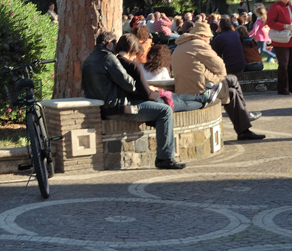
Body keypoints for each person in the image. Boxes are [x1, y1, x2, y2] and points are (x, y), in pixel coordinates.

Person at [81, 31, 186, 169]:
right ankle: (165, 158)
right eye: (115, 43)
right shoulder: (108, 58)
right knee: (165, 111)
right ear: (109, 43)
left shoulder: (89, 59)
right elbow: (128, 84)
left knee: (158, 108)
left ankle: (163, 151)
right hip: (118, 107)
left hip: (102, 108)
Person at [172, 22, 265, 141]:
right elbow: (220, 66)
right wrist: (219, 75)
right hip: (202, 89)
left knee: (231, 93)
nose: (210, 40)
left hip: (186, 90)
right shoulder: (199, 44)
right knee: (233, 79)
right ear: (202, 36)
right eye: (209, 37)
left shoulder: (181, 45)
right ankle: (246, 113)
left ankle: (243, 131)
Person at [267, 0, 292, 95]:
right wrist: (285, 26)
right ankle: (283, 88)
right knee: (283, 65)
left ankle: (290, 87)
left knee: (291, 64)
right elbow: (270, 23)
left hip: (290, 39)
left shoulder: (290, 7)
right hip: (281, 41)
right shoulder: (275, 7)